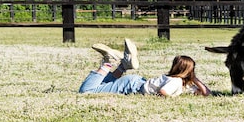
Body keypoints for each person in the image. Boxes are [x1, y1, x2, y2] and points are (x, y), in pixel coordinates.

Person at [78, 39, 211, 96]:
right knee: (87, 91)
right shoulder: (176, 82)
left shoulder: (179, 82)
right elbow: (163, 92)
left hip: (135, 82)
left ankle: (123, 66)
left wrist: (194, 79)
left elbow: (206, 93)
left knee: (102, 85)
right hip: (132, 86)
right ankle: (108, 62)